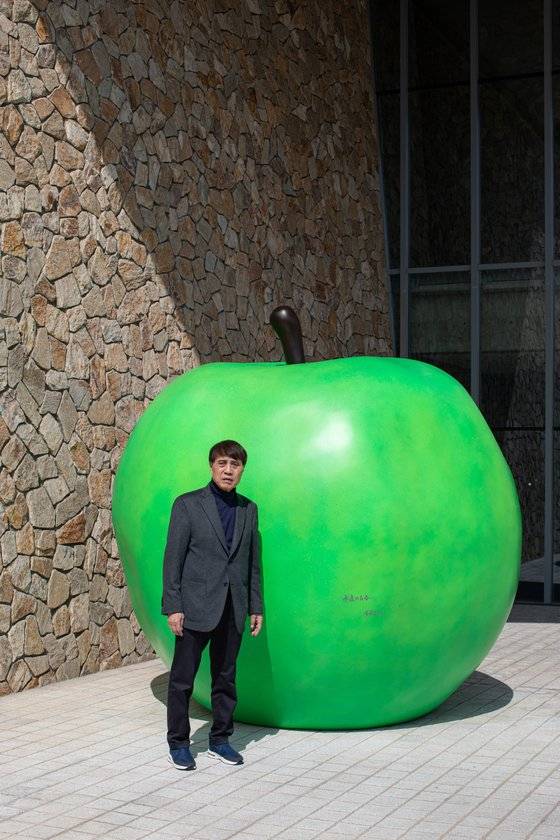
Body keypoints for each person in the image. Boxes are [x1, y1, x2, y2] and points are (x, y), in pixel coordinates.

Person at [161, 439, 263, 770]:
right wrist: (173, 606)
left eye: (235, 464)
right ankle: (178, 743)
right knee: (182, 680)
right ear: (212, 466)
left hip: (233, 608)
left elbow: (252, 562)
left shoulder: (249, 509)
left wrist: (256, 607)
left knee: (225, 679)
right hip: (194, 608)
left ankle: (220, 740)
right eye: (222, 463)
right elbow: (173, 559)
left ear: (242, 470)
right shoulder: (188, 505)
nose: (228, 470)